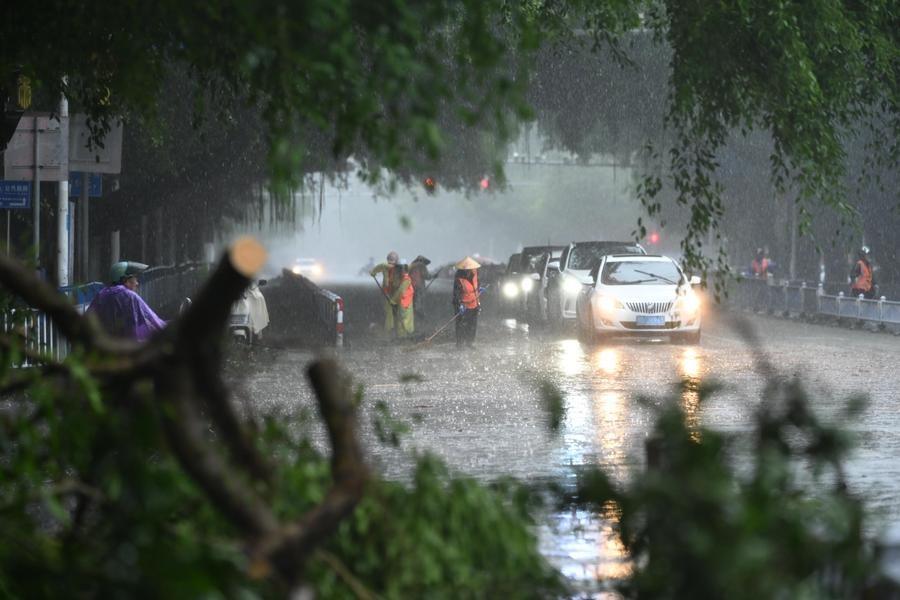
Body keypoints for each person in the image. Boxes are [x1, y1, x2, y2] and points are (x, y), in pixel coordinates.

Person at [86, 261, 166, 341]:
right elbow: (151, 319)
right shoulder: (130, 296)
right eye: (135, 279)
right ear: (126, 280)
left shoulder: (102, 295)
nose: (137, 283)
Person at [452, 256, 482, 348]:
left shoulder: (475, 273)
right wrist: (459, 304)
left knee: (472, 325)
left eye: (470, 269)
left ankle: (470, 342)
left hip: (474, 303)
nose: (469, 271)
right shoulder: (459, 277)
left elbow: (477, 285)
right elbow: (456, 293)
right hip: (463, 305)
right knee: (461, 325)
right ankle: (460, 343)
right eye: (467, 269)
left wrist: (479, 290)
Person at [370, 251, 401, 335]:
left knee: (392, 311)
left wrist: (373, 273)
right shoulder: (386, 266)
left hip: (394, 292)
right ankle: (391, 328)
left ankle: (393, 328)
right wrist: (373, 272)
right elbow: (375, 270)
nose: (391, 264)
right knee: (390, 311)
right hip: (388, 292)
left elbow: (375, 270)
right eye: (390, 261)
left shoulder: (395, 268)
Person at [389, 259, 415, 339]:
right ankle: (405, 335)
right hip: (405, 302)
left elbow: (400, 291)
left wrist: (393, 300)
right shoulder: (404, 278)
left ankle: (403, 336)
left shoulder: (406, 279)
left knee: (403, 319)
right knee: (405, 319)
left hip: (405, 302)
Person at [409, 255, 432, 323]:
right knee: (419, 304)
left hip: (411, 287)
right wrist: (433, 276)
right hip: (419, 287)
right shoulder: (421, 265)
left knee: (413, 303)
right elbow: (427, 276)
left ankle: (413, 317)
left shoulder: (411, 266)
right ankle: (422, 318)